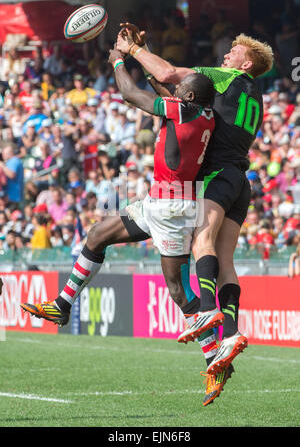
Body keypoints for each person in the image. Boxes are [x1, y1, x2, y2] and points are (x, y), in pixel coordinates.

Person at [21, 47, 219, 402]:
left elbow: (131, 95)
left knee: (178, 291)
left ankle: (215, 358)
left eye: (181, 86)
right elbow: (162, 86)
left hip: (173, 208)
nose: (174, 88)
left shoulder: (184, 111)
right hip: (162, 200)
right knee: (97, 235)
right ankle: (62, 306)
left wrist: (116, 60)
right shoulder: (200, 112)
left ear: (188, 95)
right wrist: (135, 49)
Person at [116, 23, 274, 390]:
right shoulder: (255, 93)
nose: (226, 54)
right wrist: (149, 47)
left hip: (218, 175)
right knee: (227, 261)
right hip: (240, 180)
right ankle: (231, 333)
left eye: (234, 51)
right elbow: (183, 96)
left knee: (203, 244)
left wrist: (133, 51)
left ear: (245, 64)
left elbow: (170, 74)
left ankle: (205, 311)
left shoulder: (225, 76)